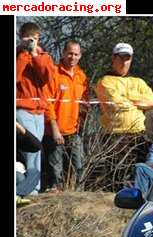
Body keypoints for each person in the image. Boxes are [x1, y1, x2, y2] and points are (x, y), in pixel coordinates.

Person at [95, 42, 153, 191]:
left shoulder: (139, 81)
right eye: (121, 57)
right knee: (115, 173)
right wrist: (136, 101)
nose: (124, 62)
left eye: (127, 58)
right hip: (114, 135)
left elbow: (150, 101)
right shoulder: (105, 81)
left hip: (138, 134)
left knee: (138, 170)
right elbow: (116, 103)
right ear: (113, 58)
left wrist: (126, 97)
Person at [43, 39, 89, 193]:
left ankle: (79, 198)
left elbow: (85, 104)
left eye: (76, 54)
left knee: (79, 168)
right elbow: (47, 103)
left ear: (80, 55)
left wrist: (82, 123)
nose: (73, 57)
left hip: (74, 131)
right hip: (54, 131)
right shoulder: (54, 73)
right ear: (63, 53)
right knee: (55, 174)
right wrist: (54, 128)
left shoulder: (81, 76)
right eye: (70, 53)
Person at [16, 22, 55, 195]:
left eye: (36, 39)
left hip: (39, 111)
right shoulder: (18, 55)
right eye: (29, 39)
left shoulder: (43, 55)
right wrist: (24, 53)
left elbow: (47, 77)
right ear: (21, 37)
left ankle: (34, 187)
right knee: (30, 149)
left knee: (37, 148)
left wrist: (35, 54)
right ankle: (28, 190)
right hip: (23, 109)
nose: (33, 42)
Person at [16, 123, 42, 206]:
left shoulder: (16, 139)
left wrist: (19, 127)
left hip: (20, 173)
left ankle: (17, 194)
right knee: (19, 178)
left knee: (34, 172)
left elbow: (37, 146)